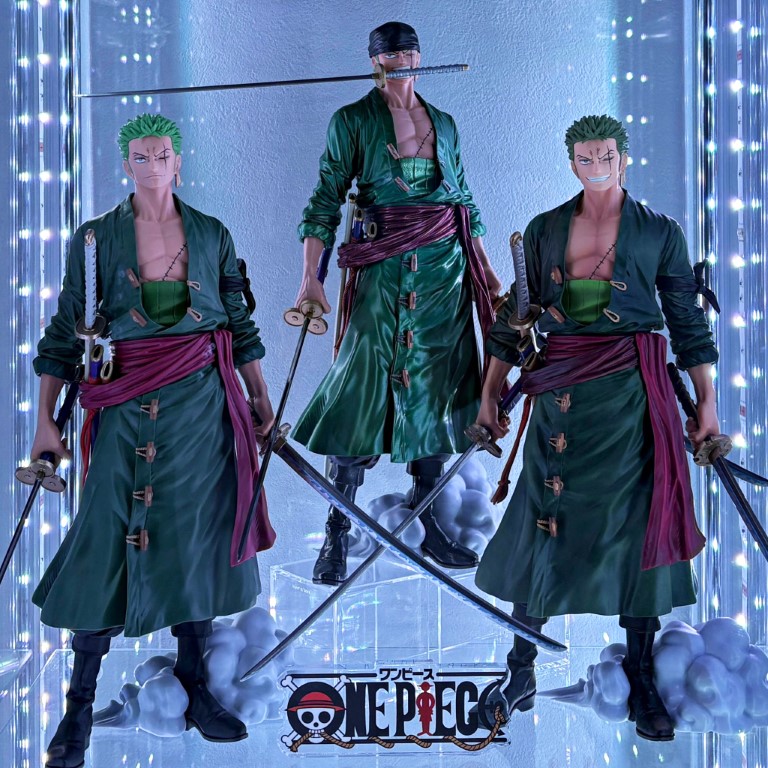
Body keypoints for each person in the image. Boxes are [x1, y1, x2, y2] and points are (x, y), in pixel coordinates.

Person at [30, 113, 275, 767]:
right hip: (124, 402)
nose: (152, 166)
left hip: (203, 407)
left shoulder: (212, 234)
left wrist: (258, 399)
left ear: (178, 162)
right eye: (140, 157)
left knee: (198, 542)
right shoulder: (95, 240)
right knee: (103, 540)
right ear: (126, 165)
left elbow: (239, 325)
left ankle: (196, 688)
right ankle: (78, 707)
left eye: (162, 155)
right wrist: (45, 421)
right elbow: (66, 332)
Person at [474, 114, 719, 742]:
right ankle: (520, 669)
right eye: (586, 157)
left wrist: (708, 406)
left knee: (640, 527)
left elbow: (687, 323)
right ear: (572, 164)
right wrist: (490, 393)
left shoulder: (658, 232)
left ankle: (641, 673)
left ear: (624, 156)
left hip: (634, 398)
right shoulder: (545, 229)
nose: (598, 165)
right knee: (541, 525)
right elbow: (514, 320)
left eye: (607, 154)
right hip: (560, 394)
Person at [292, 21, 502, 585]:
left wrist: (485, 271)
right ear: (375, 62)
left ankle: (430, 522)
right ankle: (336, 531)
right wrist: (310, 279)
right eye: (390, 54)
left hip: (443, 271)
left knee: (437, 392)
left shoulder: (445, 123)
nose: (401, 60)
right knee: (358, 389)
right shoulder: (352, 120)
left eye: (409, 52)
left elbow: (463, 200)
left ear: (419, 57)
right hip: (382, 267)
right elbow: (325, 200)